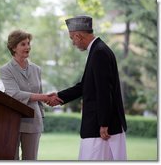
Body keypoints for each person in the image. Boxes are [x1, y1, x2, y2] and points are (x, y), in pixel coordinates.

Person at [48, 15, 127, 160]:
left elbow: (104, 91)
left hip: (101, 129)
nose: (73, 43)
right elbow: (85, 86)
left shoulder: (99, 52)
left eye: (72, 38)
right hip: (98, 126)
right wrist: (59, 96)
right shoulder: (97, 50)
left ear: (78, 36)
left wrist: (104, 124)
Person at [0, 30, 62, 160]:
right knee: (12, 159)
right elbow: (14, 94)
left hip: (34, 121)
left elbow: (38, 94)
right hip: (13, 121)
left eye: (28, 43)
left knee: (31, 159)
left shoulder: (37, 69)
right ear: (13, 47)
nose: (28, 47)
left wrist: (42, 116)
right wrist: (44, 97)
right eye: (23, 44)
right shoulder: (6, 70)